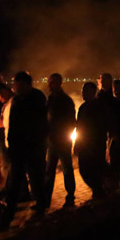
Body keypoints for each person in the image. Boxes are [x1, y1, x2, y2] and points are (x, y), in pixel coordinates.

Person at [5, 71, 49, 219]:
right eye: (15, 85)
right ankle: (8, 213)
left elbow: (41, 124)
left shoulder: (37, 98)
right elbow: (12, 124)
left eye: (19, 85)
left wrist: (38, 144)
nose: (16, 87)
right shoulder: (16, 100)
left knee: (36, 178)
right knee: (14, 181)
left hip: (34, 148)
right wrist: (11, 145)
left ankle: (41, 207)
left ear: (28, 85)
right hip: (18, 148)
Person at [45, 73, 77, 207]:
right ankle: (45, 198)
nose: (53, 85)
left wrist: (65, 134)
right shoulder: (50, 99)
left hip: (62, 140)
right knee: (50, 170)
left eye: (55, 83)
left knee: (66, 168)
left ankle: (70, 194)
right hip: (52, 140)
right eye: (51, 83)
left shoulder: (65, 100)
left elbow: (71, 120)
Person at [74, 82, 106, 197]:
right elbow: (80, 127)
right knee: (84, 169)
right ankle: (97, 189)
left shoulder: (99, 107)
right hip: (84, 144)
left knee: (95, 169)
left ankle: (99, 191)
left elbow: (101, 126)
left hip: (95, 144)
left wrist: (96, 143)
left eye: (86, 91)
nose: (83, 93)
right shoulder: (83, 107)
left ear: (93, 92)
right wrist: (77, 144)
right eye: (82, 91)